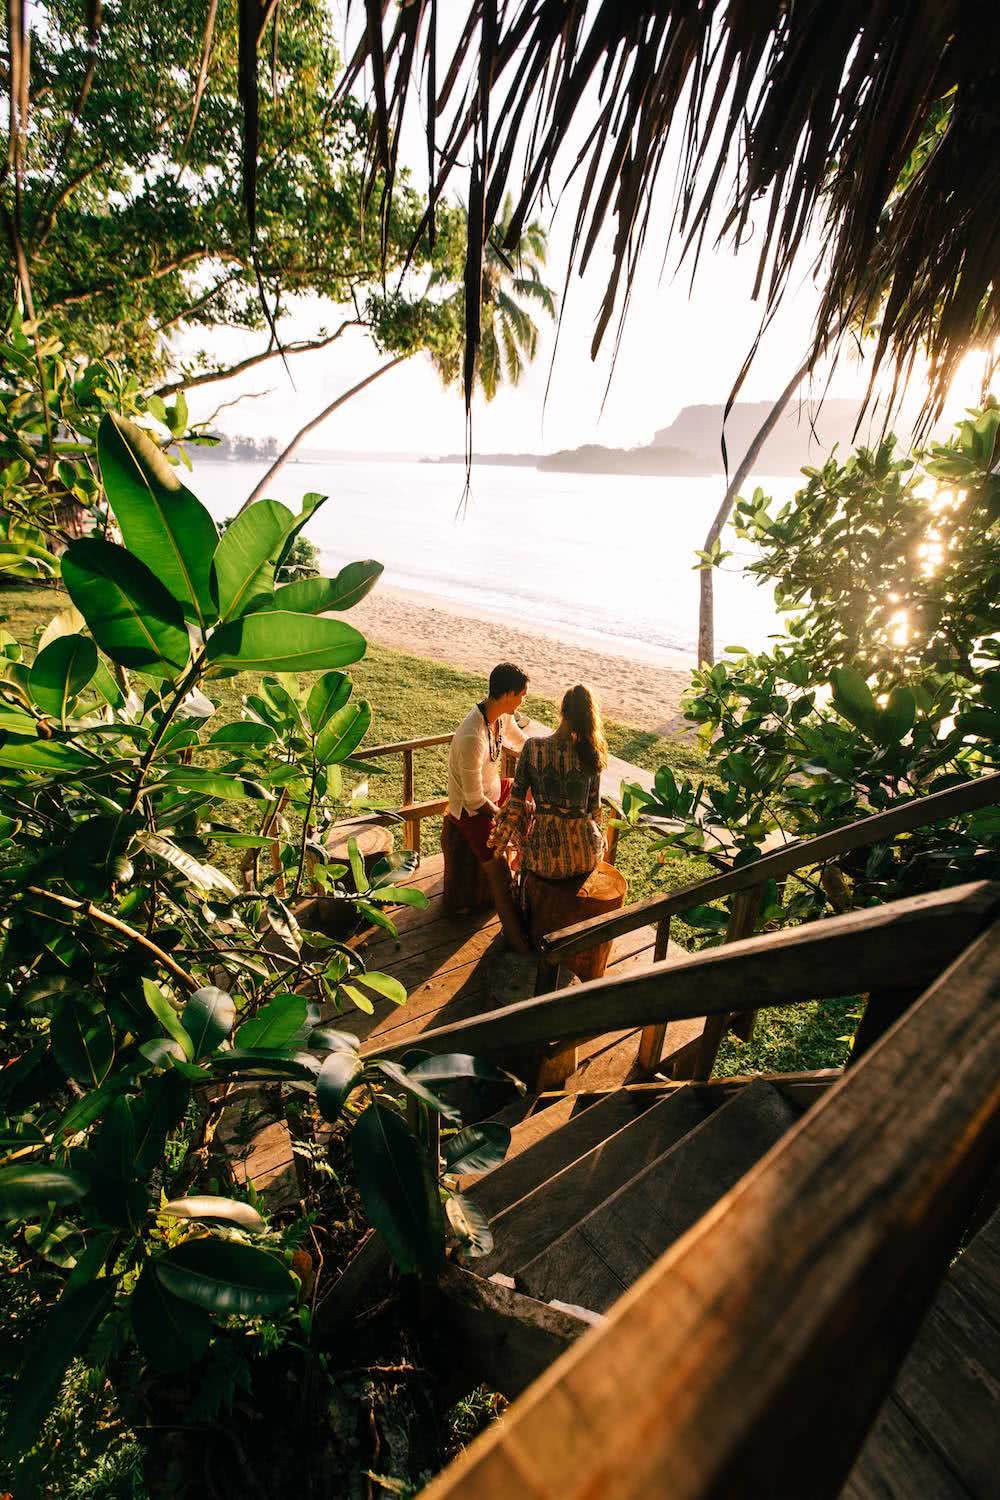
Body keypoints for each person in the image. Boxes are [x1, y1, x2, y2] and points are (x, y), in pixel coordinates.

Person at [445, 661, 532, 952]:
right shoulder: (473, 735)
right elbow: (473, 800)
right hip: (471, 810)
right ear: (508, 694)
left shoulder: (501, 718)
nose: (523, 700)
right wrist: (504, 819)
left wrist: (548, 750)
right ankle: (517, 939)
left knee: (529, 790)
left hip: (494, 791)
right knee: (498, 872)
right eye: (521, 695)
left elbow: (522, 743)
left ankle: (523, 857)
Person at [489, 683, 608, 881]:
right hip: (586, 856)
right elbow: (594, 810)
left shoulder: (534, 747)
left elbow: (516, 804)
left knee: (515, 805)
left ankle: (519, 864)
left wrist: (500, 840)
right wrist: (600, 839)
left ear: (562, 711)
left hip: (543, 858)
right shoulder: (591, 753)